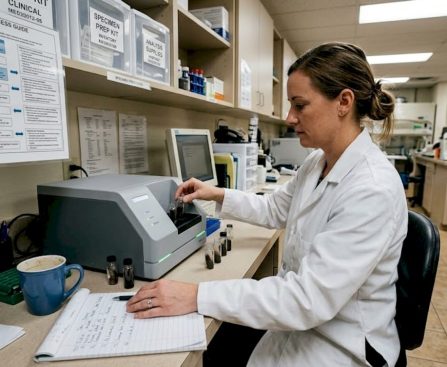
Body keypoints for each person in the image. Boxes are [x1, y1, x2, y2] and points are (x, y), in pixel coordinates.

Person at [127, 42, 408, 367]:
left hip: (343, 344)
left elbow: (308, 299)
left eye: (300, 105)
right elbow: (275, 209)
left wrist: (195, 294)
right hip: (305, 322)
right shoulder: (318, 161)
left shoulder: (372, 188)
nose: (290, 117)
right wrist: (216, 194)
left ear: (343, 102)